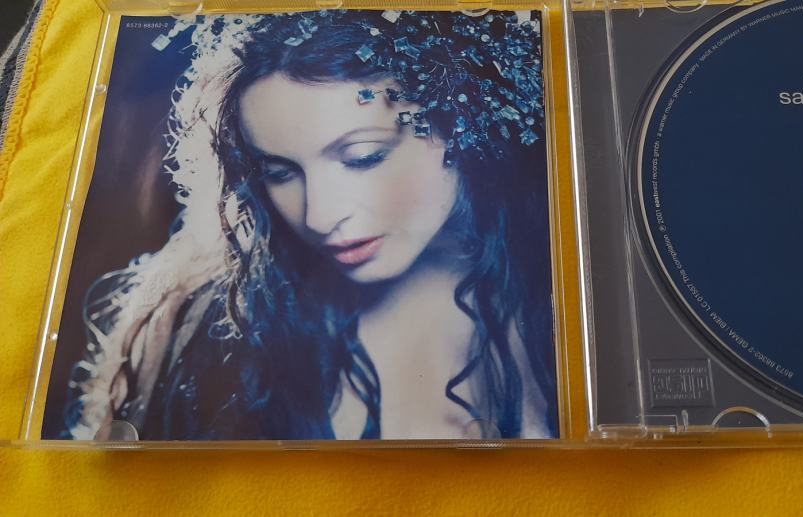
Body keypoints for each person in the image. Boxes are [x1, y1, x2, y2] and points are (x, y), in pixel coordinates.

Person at [64, 9, 557, 441]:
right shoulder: (217, 328)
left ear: (463, 126)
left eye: (363, 157)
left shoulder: (571, 300)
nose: (319, 217)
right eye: (279, 172)